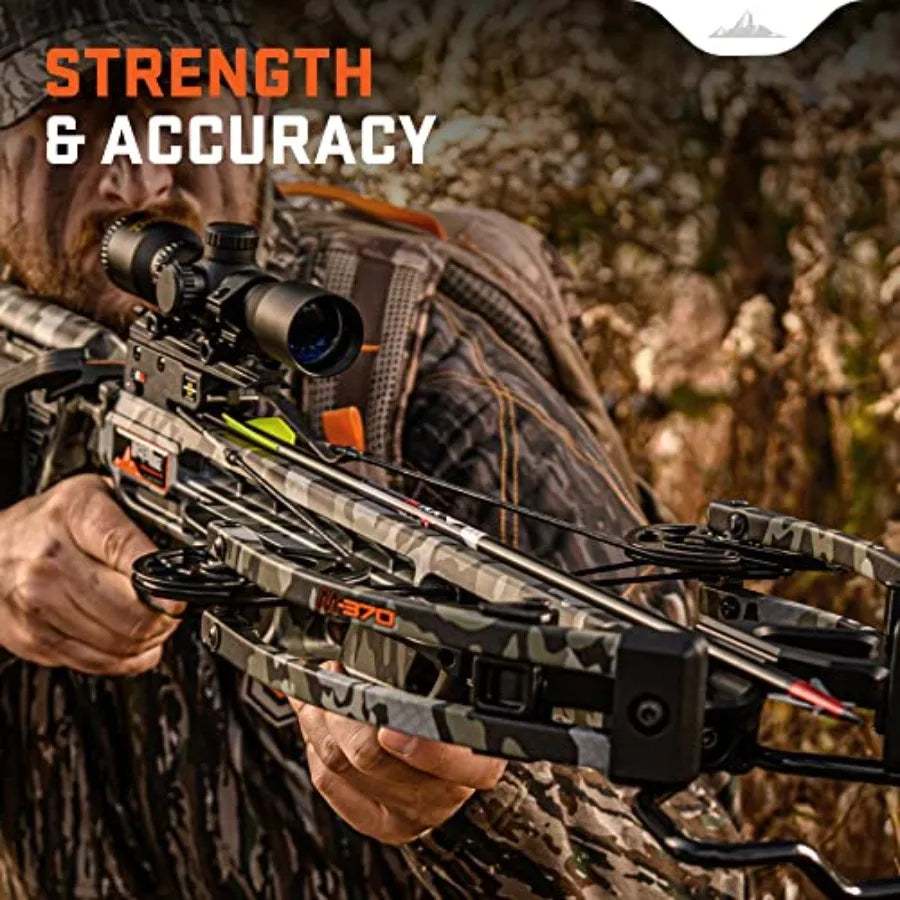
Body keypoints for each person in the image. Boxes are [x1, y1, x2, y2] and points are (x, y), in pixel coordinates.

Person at [0, 2, 744, 897]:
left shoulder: (421, 371)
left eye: (180, 116)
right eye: (75, 126)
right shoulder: (22, 337)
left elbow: (699, 857)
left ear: (251, 122)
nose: (143, 179)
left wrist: (490, 794)